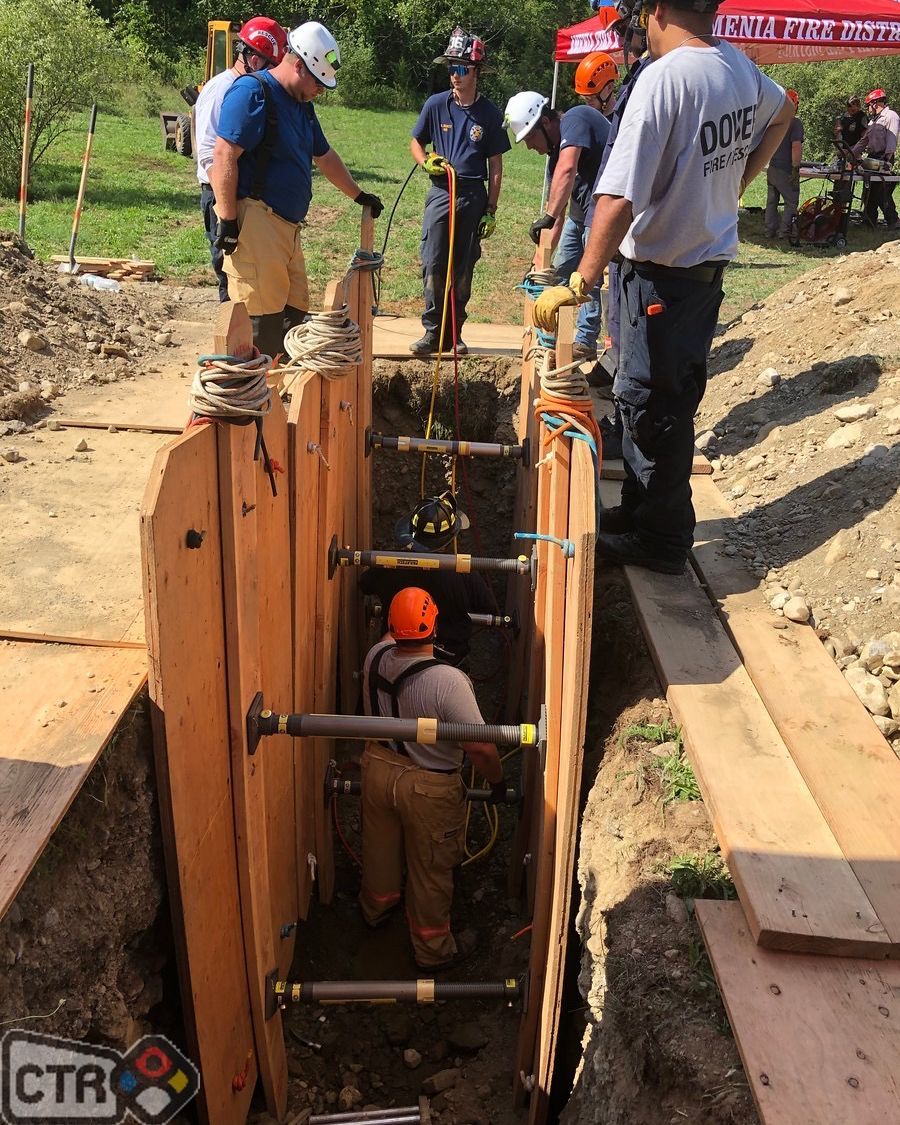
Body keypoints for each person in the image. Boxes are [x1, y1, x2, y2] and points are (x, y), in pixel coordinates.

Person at [533, 0, 794, 574]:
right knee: (643, 395)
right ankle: (639, 507)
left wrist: (579, 280)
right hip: (689, 275)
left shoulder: (664, 79)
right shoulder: (736, 66)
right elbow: (783, 112)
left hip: (664, 276)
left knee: (657, 408)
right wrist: (734, 184)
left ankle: (664, 539)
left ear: (654, 9)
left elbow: (618, 197)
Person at [210, 21, 383, 360]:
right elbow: (224, 154)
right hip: (258, 222)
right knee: (261, 320)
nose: (320, 91)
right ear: (299, 65)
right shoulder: (253, 93)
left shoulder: (302, 105)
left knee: (293, 314)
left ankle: (282, 396)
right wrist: (228, 220)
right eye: (318, 83)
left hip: (288, 228)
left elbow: (325, 155)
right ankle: (255, 403)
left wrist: (357, 194)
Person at [359, 588, 506, 969]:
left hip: (377, 768)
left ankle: (377, 909)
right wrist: (496, 783)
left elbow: (392, 640)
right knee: (430, 870)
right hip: (428, 786)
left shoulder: (375, 656)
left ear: (390, 626)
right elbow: (481, 749)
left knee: (379, 849)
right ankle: (432, 950)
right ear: (436, 625)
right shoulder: (448, 681)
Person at [409, 27, 511, 357]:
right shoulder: (435, 104)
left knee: (463, 268)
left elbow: (495, 166)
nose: (455, 74)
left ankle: (455, 333)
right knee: (433, 261)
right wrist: (426, 161)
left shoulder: (491, 114)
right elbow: (415, 141)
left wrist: (491, 209)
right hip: (441, 191)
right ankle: (432, 332)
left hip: (472, 195)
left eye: (461, 68)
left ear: (476, 71)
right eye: (451, 68)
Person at [506, 91, 610, 362]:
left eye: (529, 137)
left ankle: (585, 341)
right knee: (559, 271)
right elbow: (559, 211)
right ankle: (550, 338)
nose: (530, 147)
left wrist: (548, 216)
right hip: (580, 212)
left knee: (589, 277)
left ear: (546, 122)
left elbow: (567, 169)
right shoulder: (555, 156)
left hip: (605, 206)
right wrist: (539, 262)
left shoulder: (575, 118)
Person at [194, 17, 288, 302]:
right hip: (221, 194)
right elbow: (211, 155)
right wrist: (227, 214)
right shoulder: (220, 90)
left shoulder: (251, 89)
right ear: (256, 60)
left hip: (240, 193)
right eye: (273, 66)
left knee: (248, 275)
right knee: (230, 271)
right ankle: (230, 340)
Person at [359, 491, 496, 666]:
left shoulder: (389, 565)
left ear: (411, 532)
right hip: (449, 660)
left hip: (398, 659)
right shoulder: (464, 573)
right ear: (450, 537)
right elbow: (489, 607)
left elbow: (364, 584)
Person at [853, 89, 898, 230]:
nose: (868, 109)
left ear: (874, 103)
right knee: (869, 189)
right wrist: (849, 154)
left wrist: (886, 160)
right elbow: (863, 141)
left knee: (880, 191)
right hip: (873, 157)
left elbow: (892, 140)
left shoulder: (891, 116)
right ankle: (869, 220)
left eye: (868, 105)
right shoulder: (874, 121)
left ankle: (894, 221)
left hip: (884, 157)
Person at [765, 89, 803, 239]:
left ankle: (769, 231)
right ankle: (784, 232)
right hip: (785, 168)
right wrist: (795, 168)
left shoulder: (773, 121)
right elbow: (796, 146)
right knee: (791, 201)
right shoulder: (795, 123)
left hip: (772, 167)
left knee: (772, 202)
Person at [574, 50, 620, 117]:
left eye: (593, 96)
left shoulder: (622, 121)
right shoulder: (586, 121)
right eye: (585, 97)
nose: (588, 102)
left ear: (609, 88)